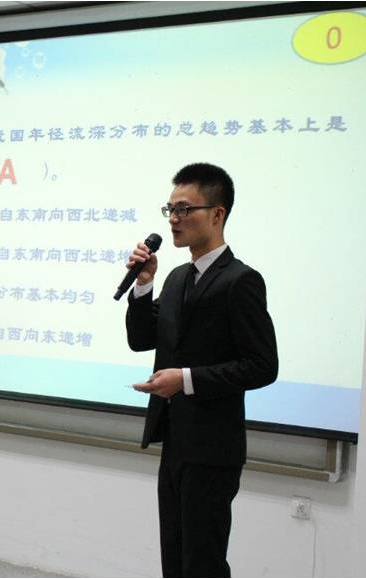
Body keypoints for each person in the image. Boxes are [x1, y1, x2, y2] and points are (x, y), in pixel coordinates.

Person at [124, 163, 278, 577]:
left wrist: (186, 380)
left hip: (213, 447)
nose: (174, 220)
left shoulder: (240, 281)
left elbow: (263, 366)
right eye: (170, 210)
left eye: (184, 209)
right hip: (175, 438)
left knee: (202, 562)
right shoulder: (176, 278)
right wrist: (143, 285)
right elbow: (142, 338)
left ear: (217, 213)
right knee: (175, 558)